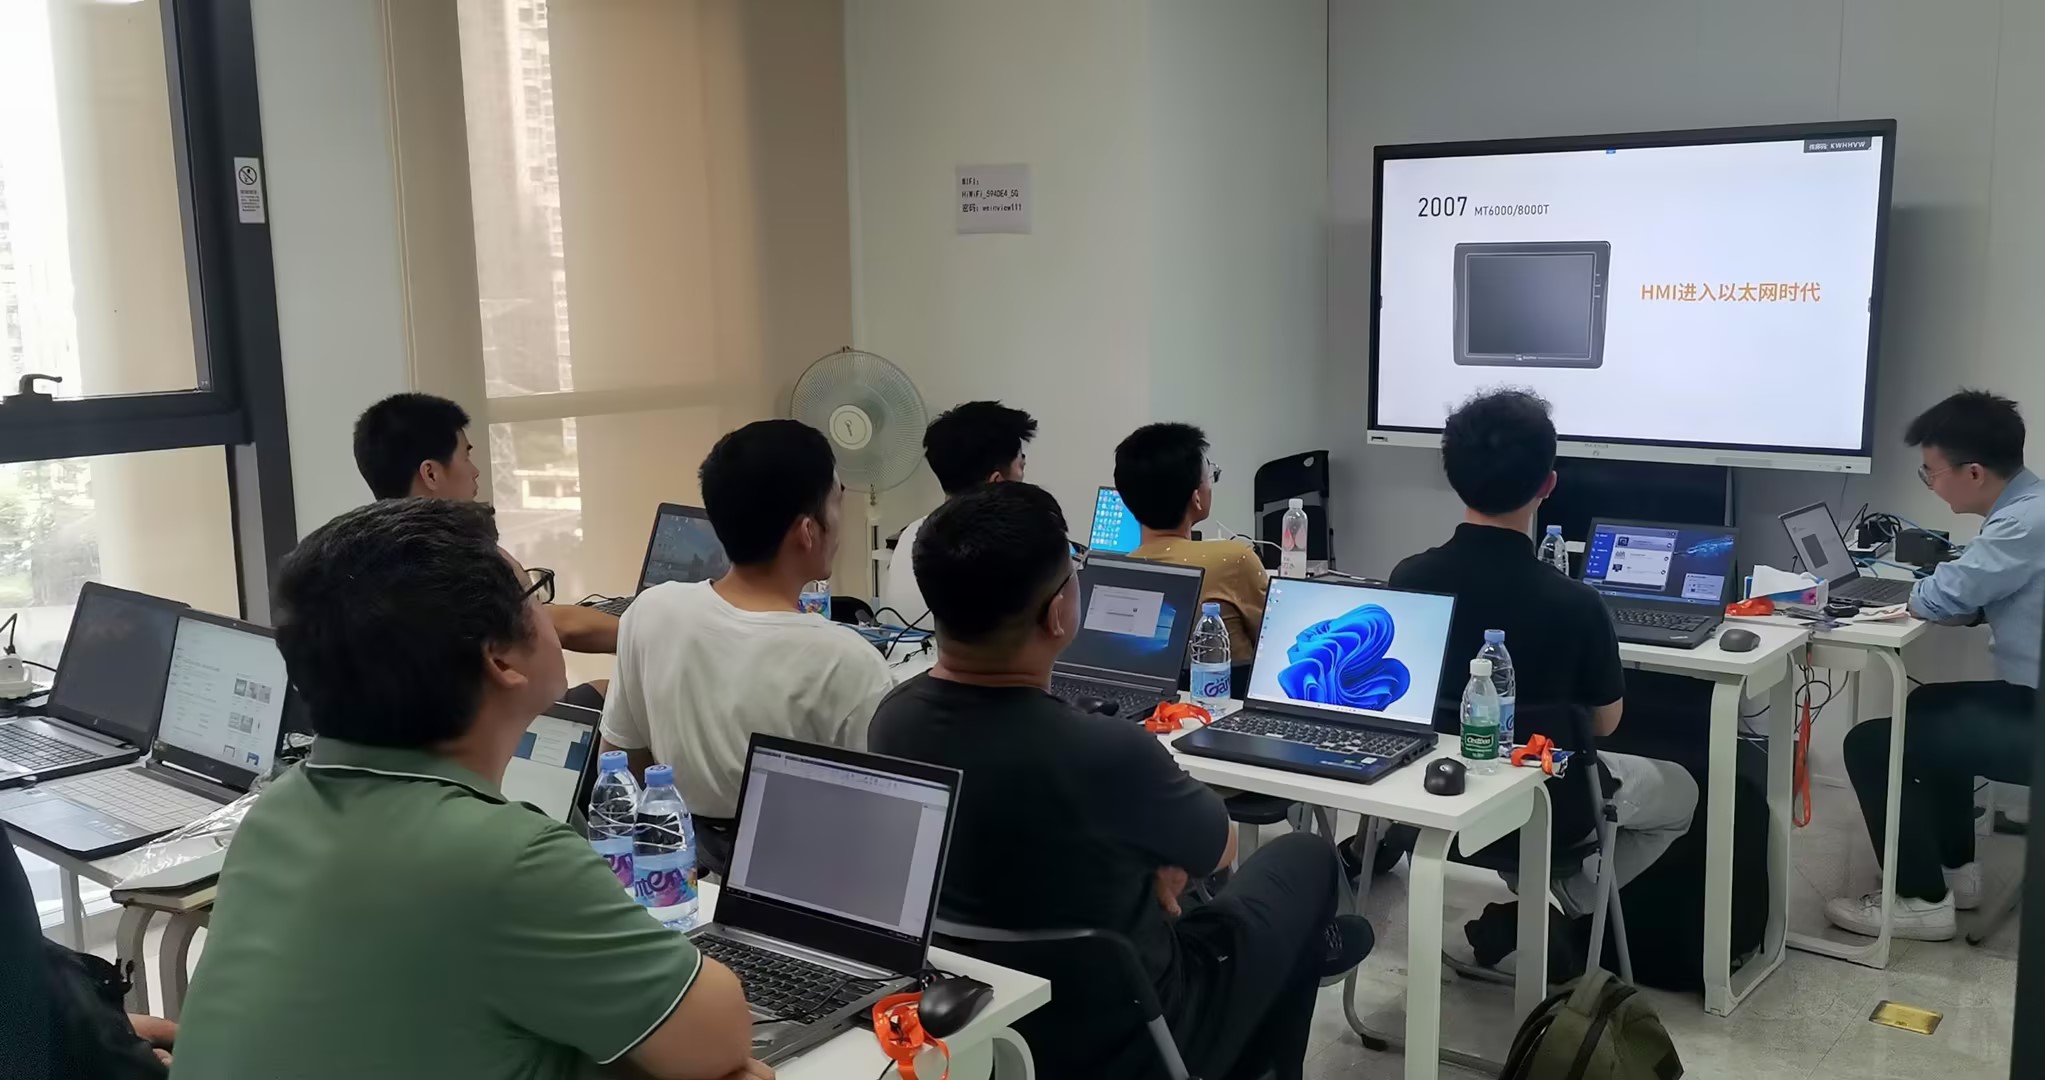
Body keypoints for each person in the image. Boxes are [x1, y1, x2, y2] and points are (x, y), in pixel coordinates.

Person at [170, 498, 768, 1079]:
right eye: (535, 596)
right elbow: (718, 1037)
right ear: (500, 660)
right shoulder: (507, 858)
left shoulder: (276, 811)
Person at [868, 482, 1371, 1080]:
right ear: (1059, 614)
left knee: (1256, 927)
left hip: (983, 1022)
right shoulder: (1108, 751)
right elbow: (1220, 847)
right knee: (1305, 858)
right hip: (1141, 1030)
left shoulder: (891, 722)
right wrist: (1159, 855)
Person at [1388, 389, 1698, 967]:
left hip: (1431, 794)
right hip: (1553, 802)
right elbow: (1605, 723)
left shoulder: (1409, 578)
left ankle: (1535, 907)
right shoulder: (1577, 603)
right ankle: (1562, 908)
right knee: (1683, 792)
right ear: (1548, 484)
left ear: (1454, 479)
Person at [601, 419, 894, 876]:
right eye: (837, 502)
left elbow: (621, 761)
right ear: (807, 531)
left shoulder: (651, 611)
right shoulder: (847, 662)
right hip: (798, 881)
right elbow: (877, 822)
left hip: (682, 872)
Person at [1826, 390, 2045, 941]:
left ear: (1973, 473)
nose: (1930, 483)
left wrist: (1912, 592)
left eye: (1931, 472)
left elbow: (1940, 598)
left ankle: (1919, 902)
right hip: (2029, 697)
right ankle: (1955, 871)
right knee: (1926, 704)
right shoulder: (2029, 508)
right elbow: (1977, 593)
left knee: (1870, 744)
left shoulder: (2022, 524)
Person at [352, 393, 619, 672]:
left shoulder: (362, 562)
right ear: (431, 474)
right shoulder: (455, 561)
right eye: (466, 457)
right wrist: (642, 629)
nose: (475, 471)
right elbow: (548, 627)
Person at [1115, 422, 1268, 660]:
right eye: (1210, 476)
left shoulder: (1118, 573)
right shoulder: (1234, 560)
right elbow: (1275, 641)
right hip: (1223, 685)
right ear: (1196, 498)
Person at [879, 400, 1037, 627]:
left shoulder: (910, 536)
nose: (1023, 475)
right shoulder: (1010, 549)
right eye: (1020, 465)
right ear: (996, 482)